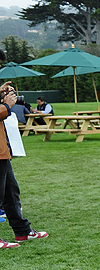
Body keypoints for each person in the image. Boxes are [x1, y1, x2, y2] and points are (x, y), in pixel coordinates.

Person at [0, 81, 47, 249]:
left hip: (2, 150)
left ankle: (22, 231)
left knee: (10, 192)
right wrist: (6, 105)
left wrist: (1, 95)